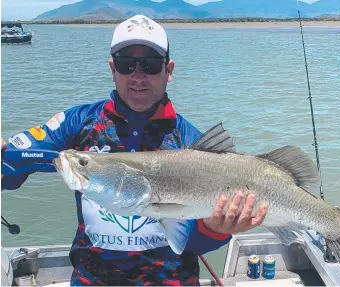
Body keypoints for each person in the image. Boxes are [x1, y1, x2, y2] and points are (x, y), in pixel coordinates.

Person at [1, 15, 268, 286]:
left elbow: (193, 244)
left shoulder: (193, 145)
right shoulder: (76, 124)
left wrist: (215, 230)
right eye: (126, 64)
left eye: (151, 65)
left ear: (169, 70)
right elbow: (14, 160)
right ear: (112, 69)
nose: (138, 76)